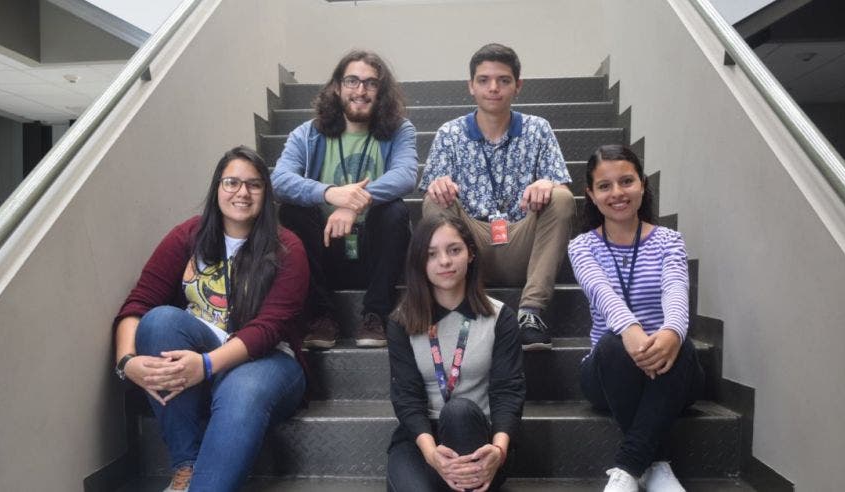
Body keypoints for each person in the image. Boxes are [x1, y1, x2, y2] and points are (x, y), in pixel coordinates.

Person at [112, 146, 309, 491]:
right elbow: (137, 305)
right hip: (197, 362)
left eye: (254, 184)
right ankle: (186, 466)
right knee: (159, 322)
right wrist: (126, 363)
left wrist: (204, 366)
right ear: (217, 187)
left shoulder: (286, 247)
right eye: (231, 182)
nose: (242, 193)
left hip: (269, 362)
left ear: (267, 193)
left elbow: (268, 329)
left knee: (242, 388)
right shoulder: (188, 236)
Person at [420, 43, 575, 351]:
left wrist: (548, 184)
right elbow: (433, 192)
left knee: (561, 198)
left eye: (503, 80)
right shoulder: (450, 134)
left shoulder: (537, 129)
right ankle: (458, 306)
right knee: (434, 200)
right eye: (484, 80)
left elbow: (562, 189)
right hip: (471, 244)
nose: (493, 88)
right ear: (470, 86)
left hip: (523, 241)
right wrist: (438, 187)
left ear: (517, 86)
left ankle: (530, 314)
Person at [568, 144, 705, 492]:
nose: (617, 193)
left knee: (683, 347)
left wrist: (671, 333)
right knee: (614, 347)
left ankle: (628, 469)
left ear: (642, 185)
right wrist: (631, 333)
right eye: (605, 185)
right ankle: (656, 467)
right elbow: (603, 294)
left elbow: (675, 290)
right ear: (591, 194)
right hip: (608, 371)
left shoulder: (669, 241)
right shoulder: (582, 246)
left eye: (626, 181)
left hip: (667, 366)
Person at [271, 49, 417, 349]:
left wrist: (354, 203)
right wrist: (329, 193)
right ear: (337, 87)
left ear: (381, 91)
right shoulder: (308, 134)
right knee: (292, 213)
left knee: (395, 211)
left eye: (371, 83)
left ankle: (375, 314)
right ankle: (322, 315)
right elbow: (279, 181)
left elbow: (406, 176)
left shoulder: (399, 130)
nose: (360, 90)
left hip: (375, 250)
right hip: (325, 248)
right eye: (352, 81)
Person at [386, 213, 525, 492]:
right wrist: (431, 455)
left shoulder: (500, 317)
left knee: (458, 411)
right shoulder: (401, 321)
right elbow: (407, 397)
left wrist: (498, 451)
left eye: (454, 250)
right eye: (432, 254)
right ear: (420, 263)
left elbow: (508, 391)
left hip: (480, 438)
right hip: (422, 440)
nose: (445, 261)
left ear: (471, 254)